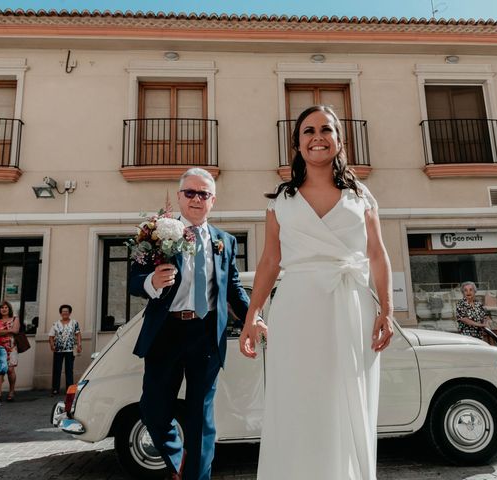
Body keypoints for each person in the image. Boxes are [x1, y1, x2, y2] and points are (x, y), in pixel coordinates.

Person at [239, 105, 394, 480]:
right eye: (308, 131)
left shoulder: (361, 197)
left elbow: (377, 254)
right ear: (297, 143)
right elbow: (269, 262)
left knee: (347, 399)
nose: (317, 137)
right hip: (296, 308)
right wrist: (252, 315)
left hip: (350, 305)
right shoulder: (280, 201)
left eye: (326, 130)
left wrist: (386, 310)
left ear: (339, 141)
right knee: (297, 399)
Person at [130, 168, 250, 480]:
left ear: (213, 200)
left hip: (206, 334)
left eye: (203, 194)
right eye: (190, 193)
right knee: (153, 410)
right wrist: (151, 282)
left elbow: (234, 289)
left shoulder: (225, 242)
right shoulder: (155, 233)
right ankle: (180, 460)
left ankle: (198, 475)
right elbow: (133, 279)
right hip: (166, 333)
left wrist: (255, 318)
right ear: (180, 196)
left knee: (200, 417)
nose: (196, 199)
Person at [48, 304, 82, 395]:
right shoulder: (56, 324)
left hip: (70, 350)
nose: (65, 313)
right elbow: (51, 336)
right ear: (60, 313)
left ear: (69, 313)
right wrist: (52, 345)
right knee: (57, 369)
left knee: (69, 370)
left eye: (66, 311)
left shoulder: (74, 323)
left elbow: (78, 334)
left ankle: (69, 389)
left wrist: (79, 345)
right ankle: (55, 389)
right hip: (58, 350)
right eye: (63, 312)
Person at [0, 301, 19, 402]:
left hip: (11, 347)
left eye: (6, 307)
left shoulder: (15, 319)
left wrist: (2, 332)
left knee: (10, 370)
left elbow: (16, 331)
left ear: (9, 309)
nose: (4, 309)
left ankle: (11, 391)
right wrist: (9, 330)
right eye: (2, 307)